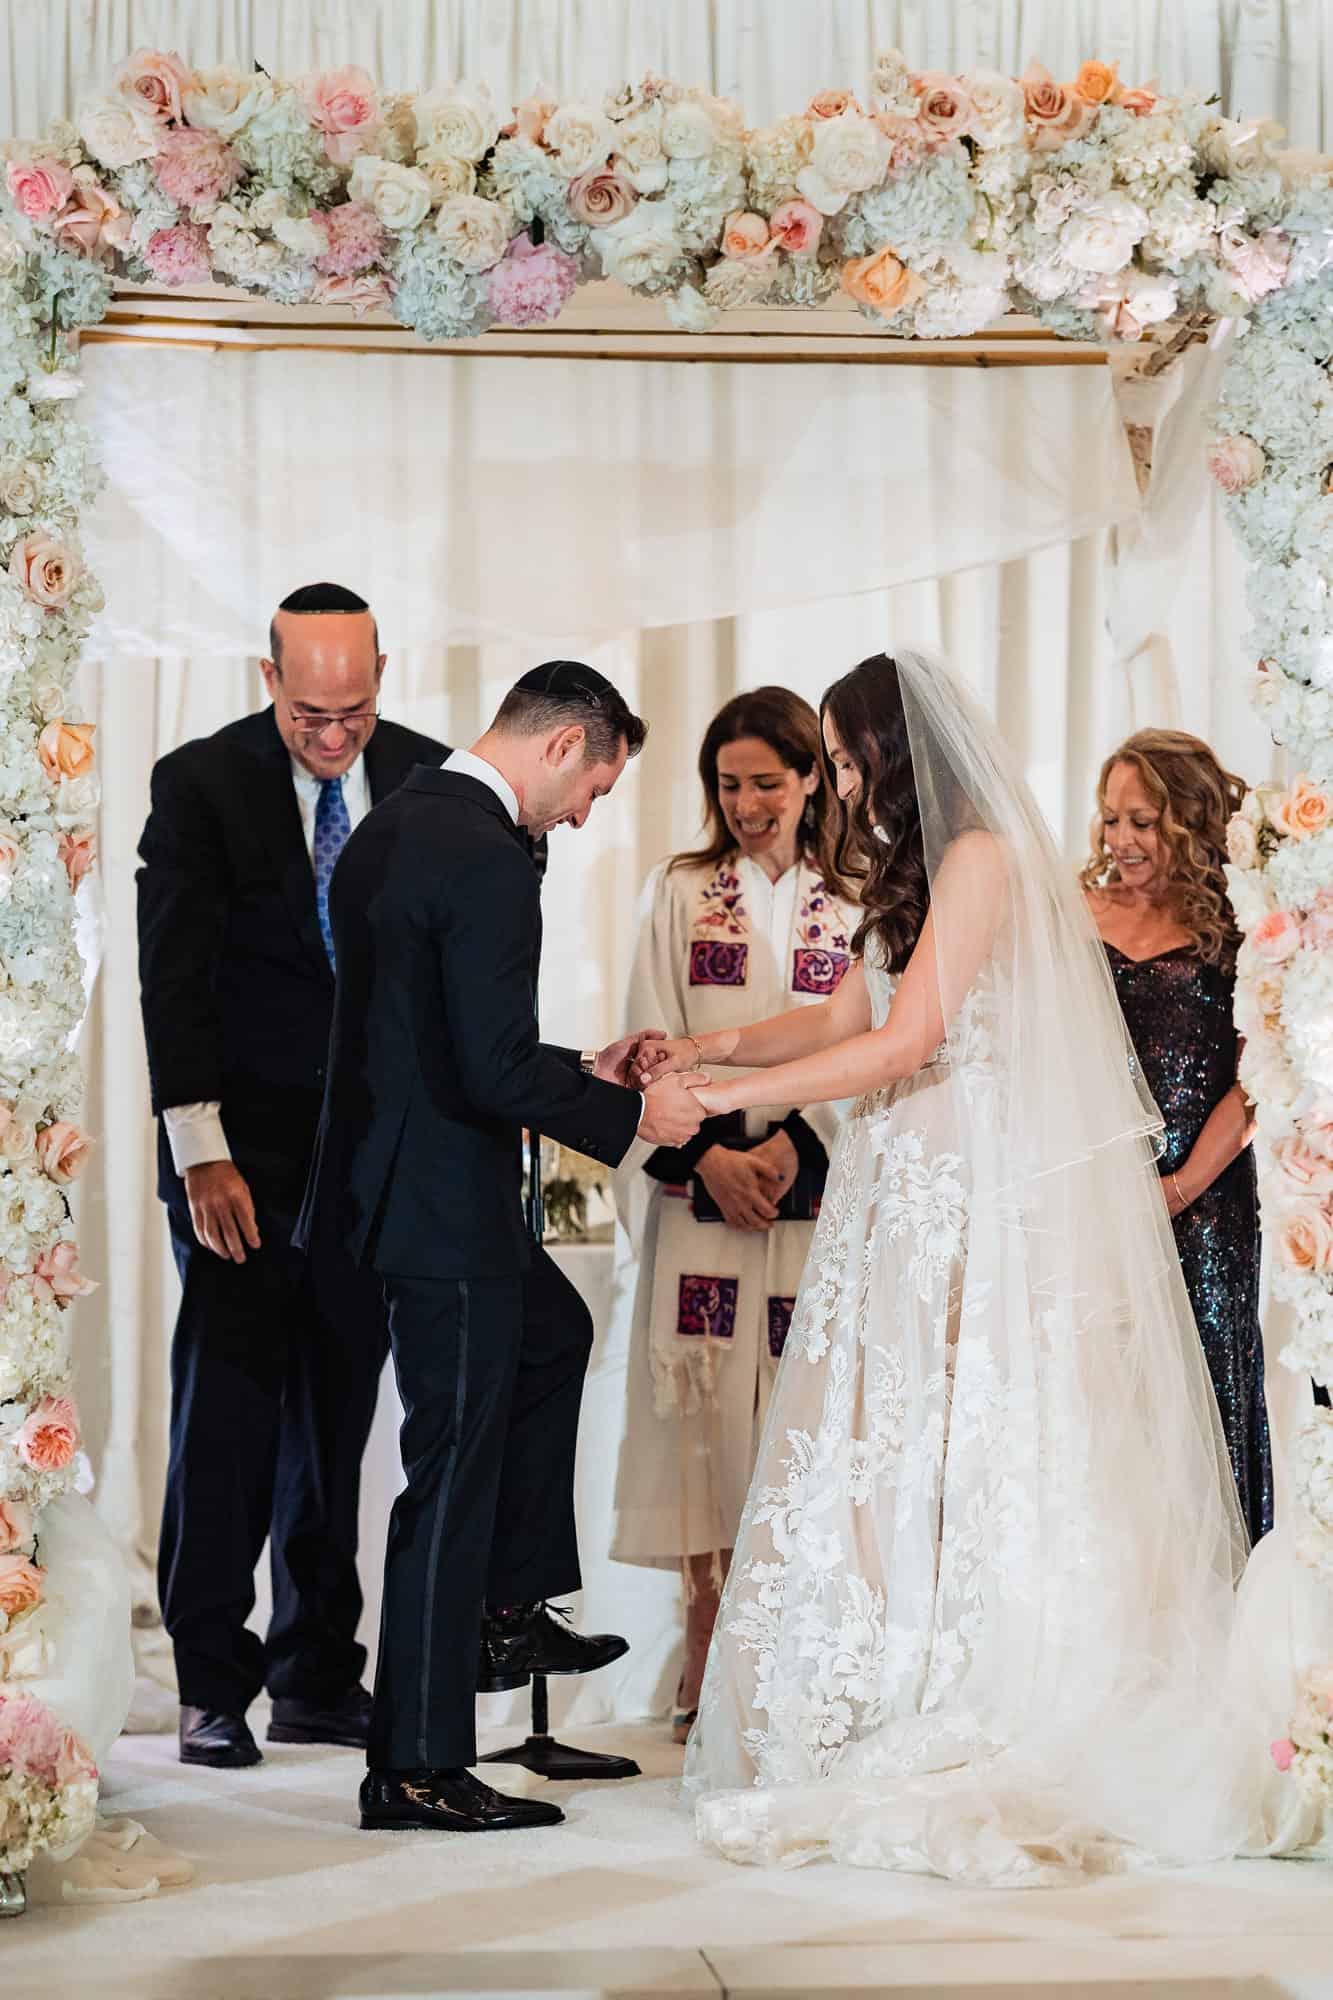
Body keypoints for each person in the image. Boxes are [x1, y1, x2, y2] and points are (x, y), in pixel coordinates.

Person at [634, 650, 1317, 1884]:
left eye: (845, 758)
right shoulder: (928, 871)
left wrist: (722, 1104)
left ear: (898, 749)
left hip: (972, 1191)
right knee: (898, 1439)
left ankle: (973, 1668)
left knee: (983, 1432)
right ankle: (889, 1657)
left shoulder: (984, 856)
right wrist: (706, 1046)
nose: (835, 782)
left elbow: (908, 1037)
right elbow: (846, 1013)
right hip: (909, 1183)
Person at [296, 660, 708, 1836]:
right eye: (594, 787)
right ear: (566, 742)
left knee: (553, 1332)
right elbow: (482, 1065)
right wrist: (640, 1119)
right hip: (440, 1205)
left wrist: (586, 1069)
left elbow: (442, 1036)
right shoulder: (478, 849)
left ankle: (505, 1606)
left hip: (404, 1181)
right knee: (449, 1478)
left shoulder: (398, 822)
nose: (585, 815)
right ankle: (415, 1764)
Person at [137, 582, 446, 1770]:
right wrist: (199, 1150)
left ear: (382, 675)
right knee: (228, 1411)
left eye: (353, 708)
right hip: (239, 1157)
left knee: (338, 1412)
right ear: (269, 676)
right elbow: (175, 977)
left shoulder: (426, 776)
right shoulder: (199, 784)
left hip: (368, 1158)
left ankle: (319, 1670)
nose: (333, 734)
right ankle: (211, 1681)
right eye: (310, 709)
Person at [610, 689, 859, 1741]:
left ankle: (793, 1643)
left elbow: (875, 1032)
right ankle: (703, 1626)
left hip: (812, 1186)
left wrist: (790, 1142)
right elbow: (646, 1034)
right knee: (699, 1401)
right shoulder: (679, 891)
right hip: (702, 1192)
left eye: (767, 780)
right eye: (729, 784)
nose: (748, 803)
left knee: (799, 1404)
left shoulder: (854, 895)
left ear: (811, 777)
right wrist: (710, 1154)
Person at [1083, 730, 1271, 1544]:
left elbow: (1260, 1070)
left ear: (1190, 823)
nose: (1119, 841)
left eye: (1143, 822)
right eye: (1109, 819)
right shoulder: (1072, 912)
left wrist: (1178, 1188)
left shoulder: (1239, 928)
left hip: (1205, 1206)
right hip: (1092, 1199)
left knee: (1201, 1393)